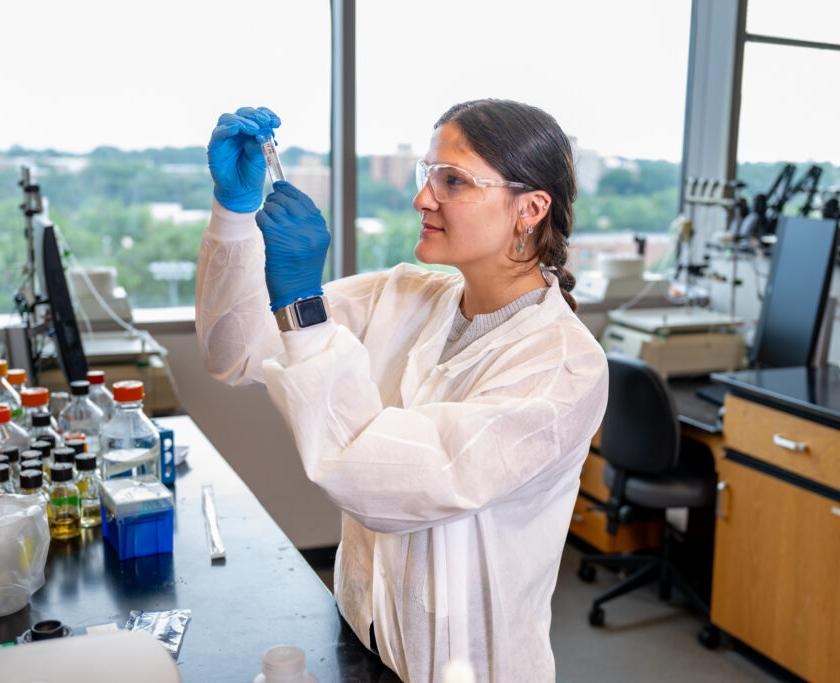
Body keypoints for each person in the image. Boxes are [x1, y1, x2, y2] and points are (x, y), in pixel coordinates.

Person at [196, 100, 607, 683]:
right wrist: (234, 216)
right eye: (428, 174)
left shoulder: (561, 366)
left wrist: (302, 307)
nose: (423, 198)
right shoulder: (405, 295)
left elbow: (381, 482)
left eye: (454, 181)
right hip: (362, 634)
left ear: (530, 208)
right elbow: (232, 351)